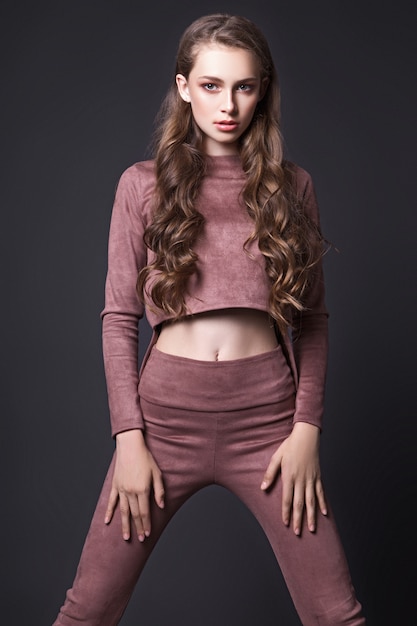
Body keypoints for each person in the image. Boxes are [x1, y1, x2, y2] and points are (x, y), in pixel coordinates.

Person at [53, 13, 366, 626]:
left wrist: (306, 430)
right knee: (87, 609)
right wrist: (129, 438)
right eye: (212, 85)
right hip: (165, 420)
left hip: (269, 425)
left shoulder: (292, 187)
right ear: (184, 87)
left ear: (263, 91)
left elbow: (314, 322)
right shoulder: (141, 186)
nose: (228, 104)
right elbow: (118, 318)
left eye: (244, 86)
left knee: (336, 613)